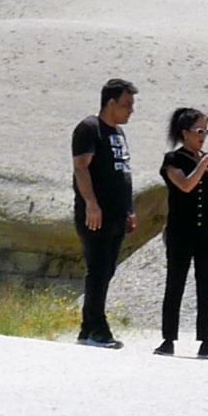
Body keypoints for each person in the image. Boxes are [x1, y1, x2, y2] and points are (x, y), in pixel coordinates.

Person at [156, 105, 208, 359]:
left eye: (206, 131)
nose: (203, 136)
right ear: (185, 132)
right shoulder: (173, 160)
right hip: (181, 231)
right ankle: (168, 339)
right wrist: (204, 162)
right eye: (199, 130)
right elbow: (186, 185)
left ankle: (206, 341)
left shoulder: (206, 159)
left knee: (206, 286)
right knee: (175, 284)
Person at [70, 78, 136, 347]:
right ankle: (99, 330)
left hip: (117, 214)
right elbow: (81, 168)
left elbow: (123, 172)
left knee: (106, 269)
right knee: (97, 269)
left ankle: (88, 329)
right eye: (126, 104)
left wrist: (129, 210)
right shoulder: (89, 128)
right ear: (111, 102)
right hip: (95, 214)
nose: (131, 110)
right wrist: (91, 204)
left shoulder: (118, 132)